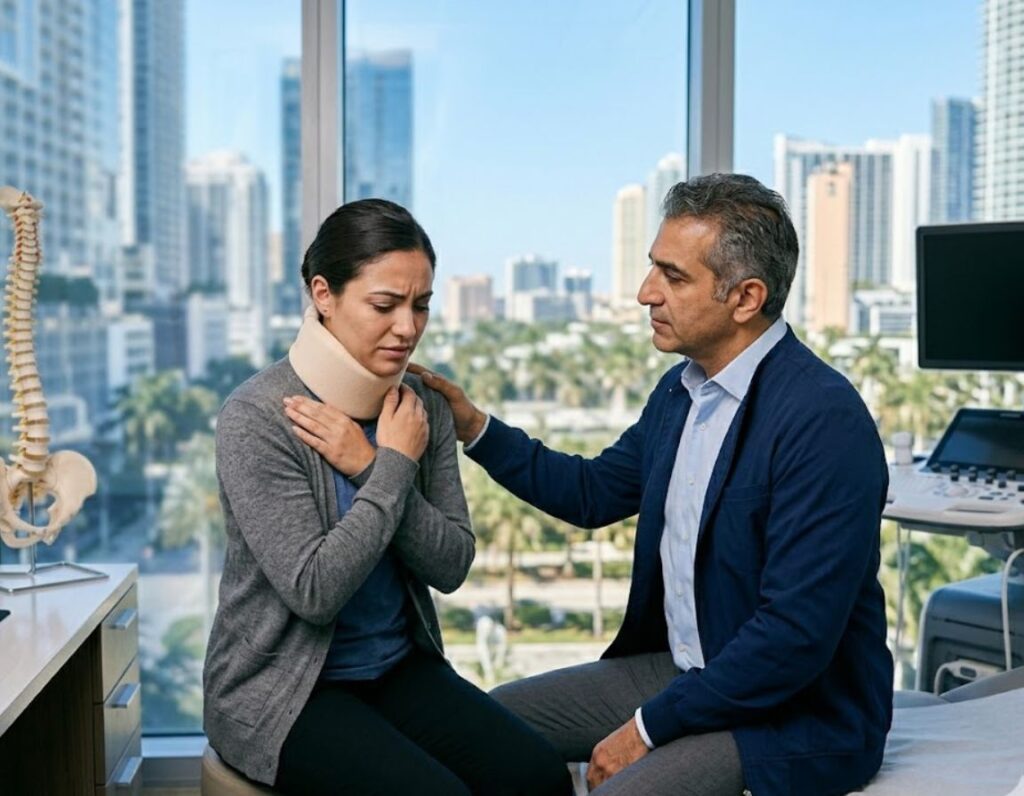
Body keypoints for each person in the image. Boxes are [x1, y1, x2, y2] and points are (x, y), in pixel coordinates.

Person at [414, 174, 893, 796]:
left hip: (791, 713)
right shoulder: (680, 392)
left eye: (673, 276)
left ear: (746, 298)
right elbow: (591, 493)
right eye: (652, 270)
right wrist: (475, 428)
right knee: (485, 728)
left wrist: (645, 728)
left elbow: (792, 638)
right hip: (686, 673)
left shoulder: (823, 420)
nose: (646, 293)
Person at [203, 199, 570, 795]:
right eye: (385, 304)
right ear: (323, 294)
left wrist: (371, 462)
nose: (408, 327)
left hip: (396, 669)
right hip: (282, 692)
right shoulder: (258, 417)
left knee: (538, 776)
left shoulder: (421, 406)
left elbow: (451, 565)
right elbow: (314, 591)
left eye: (421, 305)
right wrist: (394, 465)